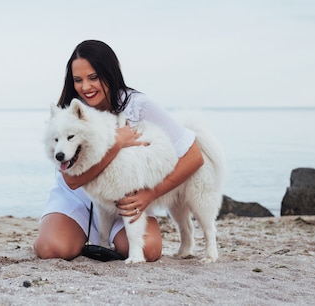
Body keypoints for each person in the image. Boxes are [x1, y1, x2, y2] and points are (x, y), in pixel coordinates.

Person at [33, 39, 205, 261]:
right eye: (78, 80)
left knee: (149, 250)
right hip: (76, 198)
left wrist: (150, 194)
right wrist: (116, 144)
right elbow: (72, 182)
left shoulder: (138, 105)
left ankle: (100, 238)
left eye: (93, 77)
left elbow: (194, 156)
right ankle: (61, 230)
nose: (85, 87)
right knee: (51, 250)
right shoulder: (70, 111)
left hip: (123, 198)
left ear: (110, 73)